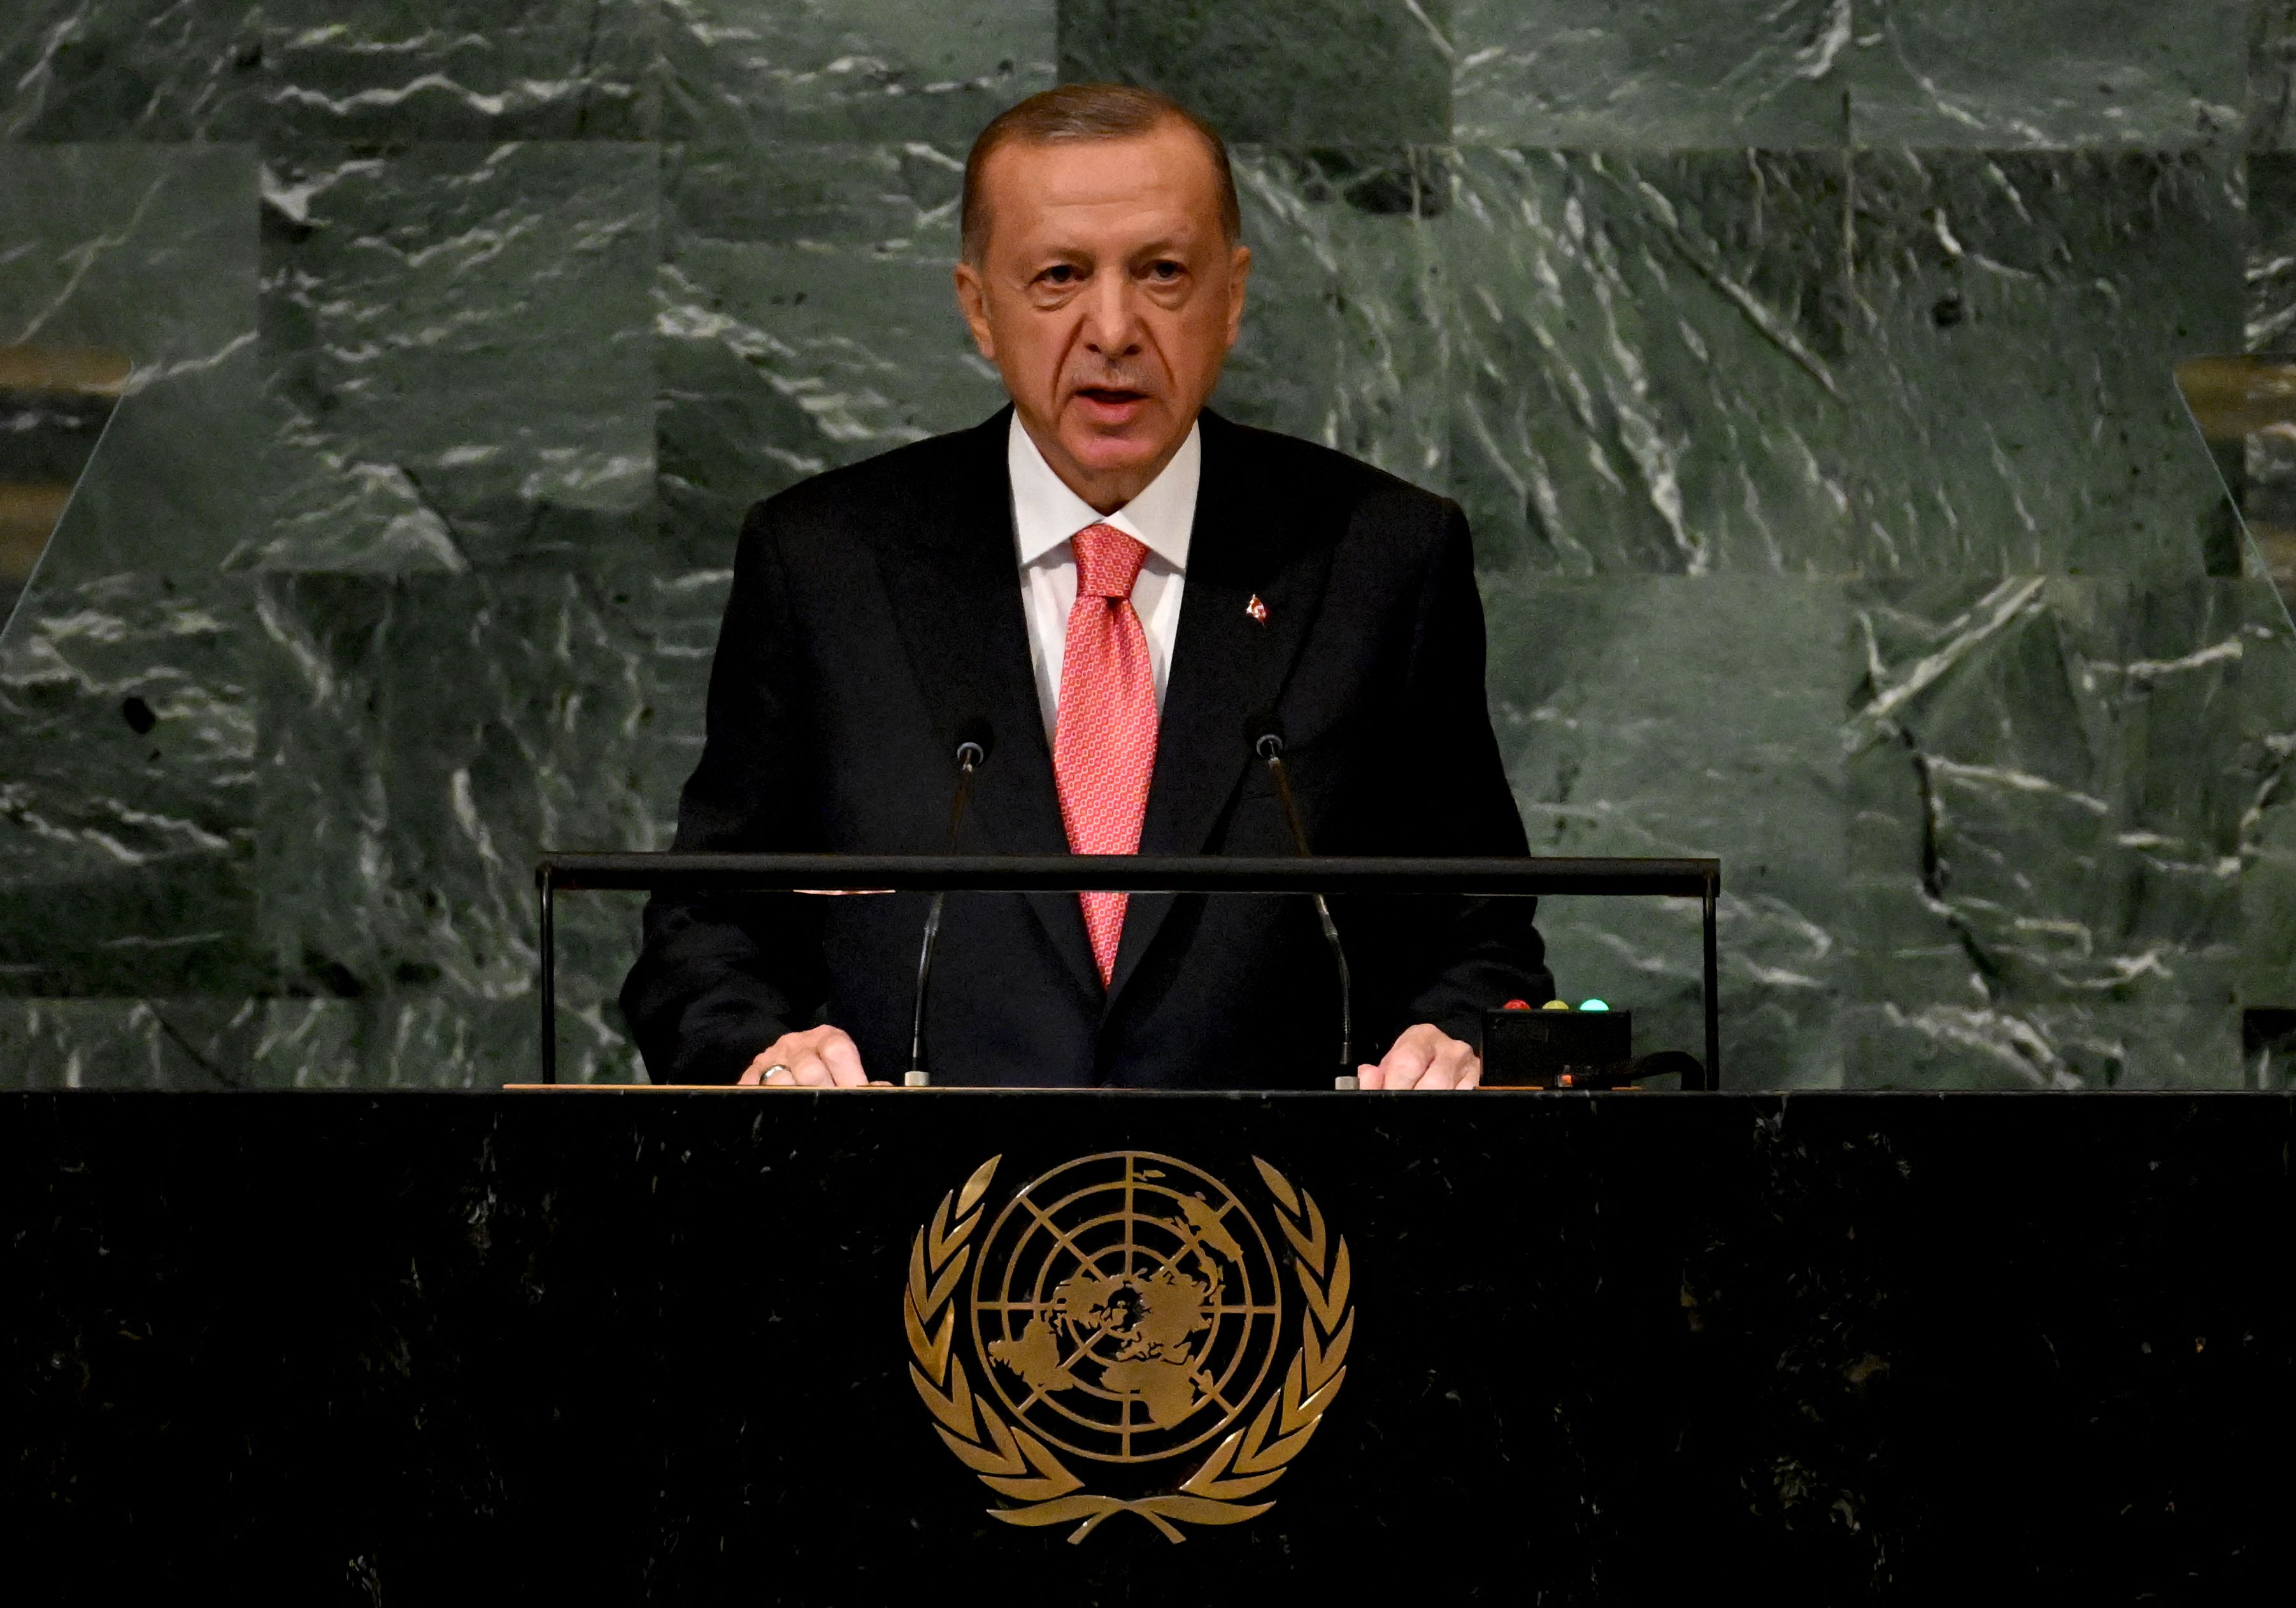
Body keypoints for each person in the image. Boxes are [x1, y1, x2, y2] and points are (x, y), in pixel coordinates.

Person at [620, 83, 1551, 1092]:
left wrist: (1452, 1041)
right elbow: (705, 927)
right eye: (1060, 276)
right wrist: (760, 1054)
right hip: (917, 1218)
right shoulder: (826, 562)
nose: (1114, 328)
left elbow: (1480, 939)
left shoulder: (1380, 558)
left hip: (1273, 1222)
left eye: (1161, 273)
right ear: (979, 307)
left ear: (1231, 295)